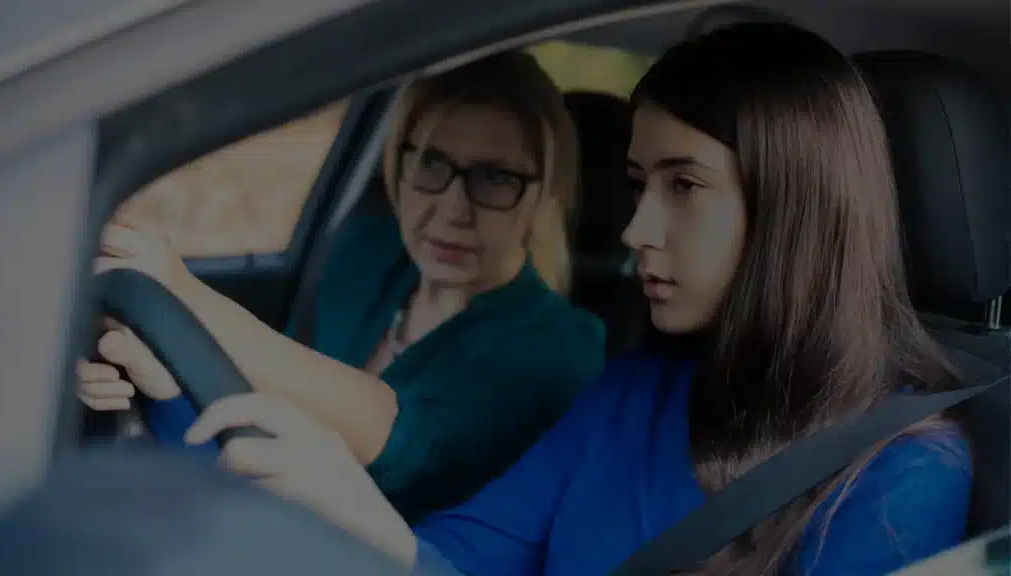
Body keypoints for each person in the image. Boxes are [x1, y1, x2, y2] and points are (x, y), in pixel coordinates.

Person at [169, 22, 975, 576]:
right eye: (638, 184)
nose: (636, 230)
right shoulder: (635, 390)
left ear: (793, 208)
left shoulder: (902, 471)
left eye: (684, 186)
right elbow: (465, 552)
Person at [78, 51, 606, 524]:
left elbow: (402, 439)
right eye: (432, 164)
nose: (452, 210)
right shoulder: (367, 255)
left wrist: (185, 296)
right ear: (398, 163)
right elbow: (258, 414)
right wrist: (152, 378)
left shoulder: (561, 349)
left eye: (495, 178)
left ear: (545, 194)